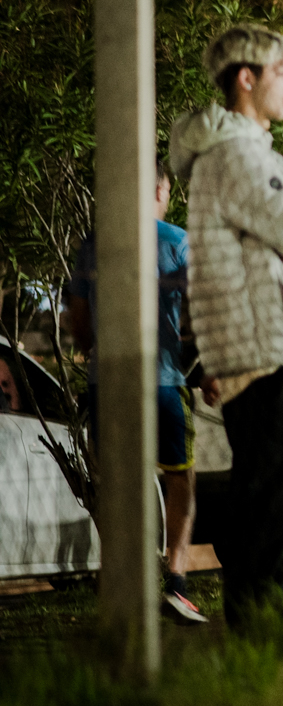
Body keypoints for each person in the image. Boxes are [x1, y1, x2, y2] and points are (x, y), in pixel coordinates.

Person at [169, 24, 283, 629]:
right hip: (264, 348)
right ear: (246, 78)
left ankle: (262, 628)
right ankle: (260, 628)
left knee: (282, 499)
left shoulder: (235, 155)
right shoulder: (238, 156)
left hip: (264, 345)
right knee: (279, 504)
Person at [66, 160, 205, 624]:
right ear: (162, 191)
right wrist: (202, 366)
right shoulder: (178, 241)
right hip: (164, 380)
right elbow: (198, 312)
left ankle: (126, 582)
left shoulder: (94, 244)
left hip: (107, 383)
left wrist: (97, 353)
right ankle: (176, 581)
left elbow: (78, 318)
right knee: (180, 477)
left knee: (119, 482)